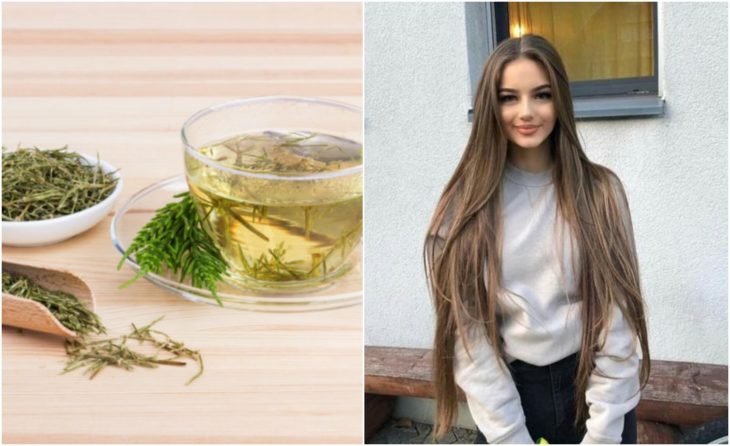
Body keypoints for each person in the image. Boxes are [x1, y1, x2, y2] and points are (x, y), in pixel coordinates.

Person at [423, 34, 650, 444]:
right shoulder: (466, 207)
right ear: (491, 105)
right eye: (509, 97)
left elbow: (618, 324)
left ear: (560, 99)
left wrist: (602, 435)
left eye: (541, 95)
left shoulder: (600, 192)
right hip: (512, 395)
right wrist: (511, 436)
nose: (526, 112)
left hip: (596, 391)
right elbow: (471, 342)